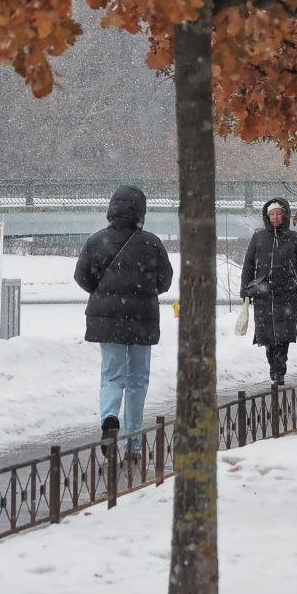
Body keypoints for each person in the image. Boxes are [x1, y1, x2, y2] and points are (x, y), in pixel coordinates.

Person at [75, 185, 174, 458]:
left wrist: (105, 292)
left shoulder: (96, 241)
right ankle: (134, 442)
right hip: (143, 319)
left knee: (112, 374)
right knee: (138, 380)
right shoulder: (152, 243)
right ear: (140, 211)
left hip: (108, 321)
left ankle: (109, 417)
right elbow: (165, 281)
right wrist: (144, 288)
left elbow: (82, 277)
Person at [240, 197, 297, 385]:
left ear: (285, 216)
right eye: (272, 214)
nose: (275, 217)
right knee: (266, 336)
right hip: (263, 294)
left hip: (288, 293)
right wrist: (245, 288)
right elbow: (248, 264)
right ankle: (272, 364)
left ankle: (279, 369)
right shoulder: (258, 238)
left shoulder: (295, 239)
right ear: (267, 216)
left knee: (283, 334)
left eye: (278, 214)